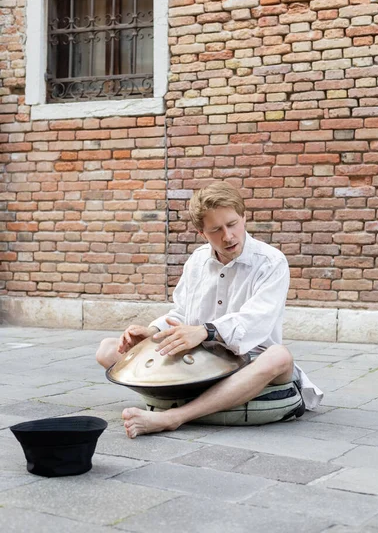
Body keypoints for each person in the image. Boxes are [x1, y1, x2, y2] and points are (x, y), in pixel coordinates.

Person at [96, 181, 323, 438]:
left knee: (280, 355)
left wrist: (207, 331)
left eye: (232, 224)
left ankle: (173, 415)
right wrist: (152, 332)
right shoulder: (197, 261)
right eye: (216, 230)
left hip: (251, 362)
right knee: (107, 349)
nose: (228, 236)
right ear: (202, 233)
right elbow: (181, 313)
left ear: (244, 217)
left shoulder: (271, 262)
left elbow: (257, 321)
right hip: (201, 362)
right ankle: (210, 399)